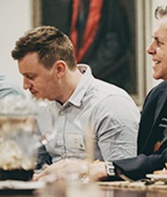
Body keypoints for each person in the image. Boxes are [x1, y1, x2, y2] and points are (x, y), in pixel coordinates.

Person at [34, 2, 167, 181]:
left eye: (159, 42)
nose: (149, 49)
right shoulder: (159, 94)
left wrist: (102, 167)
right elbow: (142, 157)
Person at [11, 26, 140, 168]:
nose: (25, 86)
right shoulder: (42, 107)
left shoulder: (111, 104)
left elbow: (123, 173)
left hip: (99, 190)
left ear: (59, 69)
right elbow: (36, 166)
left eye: (30, 77)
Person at [69, 0, 132, 91]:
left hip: (107, 73)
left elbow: (115, 41)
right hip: (84, 71)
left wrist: (89, 71)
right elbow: (73, 28)